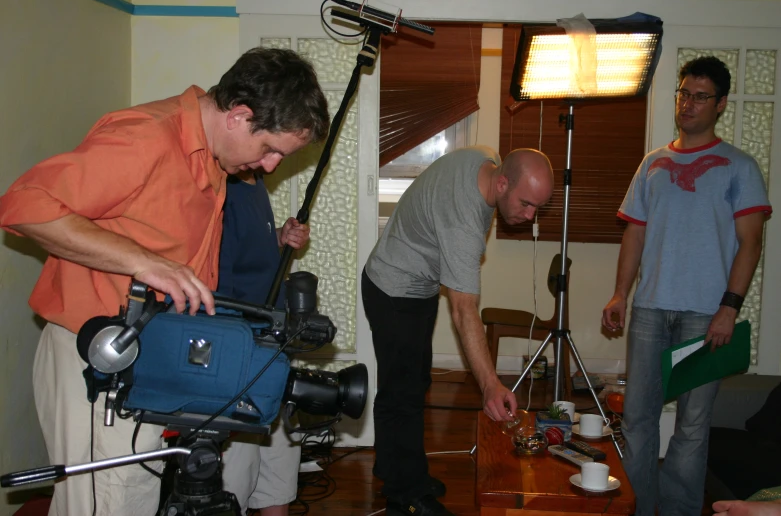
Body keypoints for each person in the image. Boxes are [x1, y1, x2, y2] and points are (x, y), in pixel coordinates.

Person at [0, 47, 329, 516]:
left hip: (147, 358)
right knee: (104, 504)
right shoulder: (146, 138)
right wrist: (144, 262)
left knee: (134, 493)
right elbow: (24, 206)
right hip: (95, 354)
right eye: (270, 149)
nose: (271, 165)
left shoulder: (214, 160)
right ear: (239, 115)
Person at [601, 56, 772, 516]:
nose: (688, 104)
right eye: (683, 93)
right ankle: (637, 508)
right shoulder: (652, 163)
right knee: (637, 420)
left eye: (700, 96)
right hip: (650, 311)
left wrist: (729, 309)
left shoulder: (740, 166)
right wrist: (621, 293)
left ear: (719, 105)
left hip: (704, 316)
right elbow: (634, 232)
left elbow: (751, 243)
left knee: (693, 426)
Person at [362, 146, 554, 516]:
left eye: (538, 209)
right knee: (402, 394)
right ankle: (407, 495)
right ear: (501, 182)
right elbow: (464, 309)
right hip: (393, 289)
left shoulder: (481, 161)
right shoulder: (463, 222)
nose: (531, 217)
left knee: (412, 383)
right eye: (526, 204)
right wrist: (490, 385)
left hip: (414, 287)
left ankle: (395, 469)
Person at [218, 170, 311, 516]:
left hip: (273, 342)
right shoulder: (221, 190)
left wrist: (278, 240)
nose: (275, 162)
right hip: (241, 350)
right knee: (235, 476)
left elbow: (250, 257)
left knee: (279, 467)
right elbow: (217, 282)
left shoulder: (253, 183)